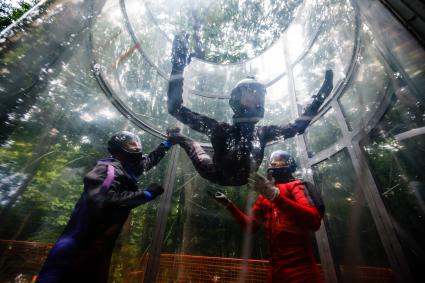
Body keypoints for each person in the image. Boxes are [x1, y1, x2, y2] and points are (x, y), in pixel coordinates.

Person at [167, 33, 334, 186]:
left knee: (196, 146)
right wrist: (178, 65)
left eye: (260, 96)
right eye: (251, 94)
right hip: (214, 173)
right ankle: (177, 137)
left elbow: (298, 127)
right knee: (191, 144)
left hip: (242, 179)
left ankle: (178, 137)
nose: (257, 100)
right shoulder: (220, 130)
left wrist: (321, 96)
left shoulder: (263, 132)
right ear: (237, 100)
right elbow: (175, 108)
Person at [36, 131, 172, 283]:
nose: (137, 147)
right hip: (79, 244)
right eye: (131, 144)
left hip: (98, 244)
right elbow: (102, 199)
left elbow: (148, 161)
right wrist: (145, 194)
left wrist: (167, 143)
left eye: (136, 143)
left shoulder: (125, 169)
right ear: (120, 148)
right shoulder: (107, 168)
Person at [209, 150, 324, 283]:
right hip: (275, 273)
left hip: (303, 273)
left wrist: (275, 195)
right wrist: (228, 205)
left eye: (281, 160)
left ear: (289, 164)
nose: (275, 162)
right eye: (273, 161)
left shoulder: (297, 186)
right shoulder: (265, 196)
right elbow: (250, 227)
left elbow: (314, 220)